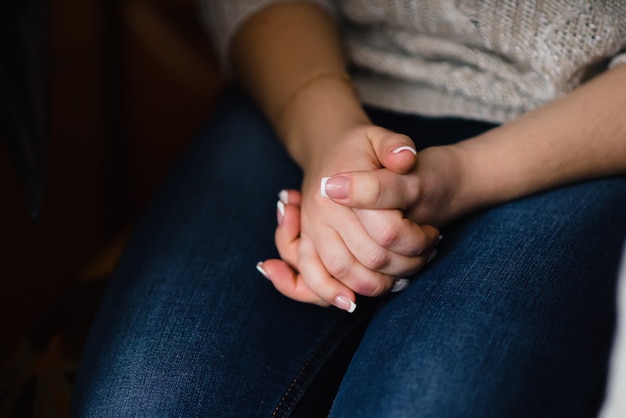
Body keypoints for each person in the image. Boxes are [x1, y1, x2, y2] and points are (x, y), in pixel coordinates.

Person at [71, 1, 626, 417]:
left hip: (577, 132)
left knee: (434, 400)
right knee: (144, 402)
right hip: (308, 70)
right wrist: (326, 137)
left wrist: (458, 178)